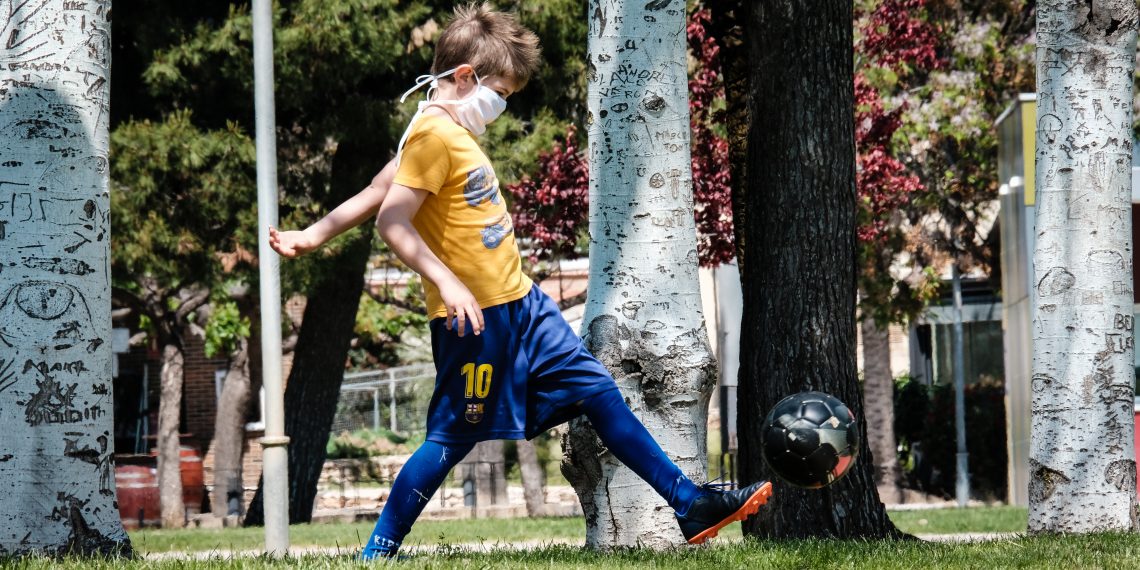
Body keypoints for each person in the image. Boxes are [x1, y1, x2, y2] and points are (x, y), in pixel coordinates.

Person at [269, 3, 772, 560]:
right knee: (453, 436)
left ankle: (689, 502)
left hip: (524, 306)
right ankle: (379, 551)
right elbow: (392, 219)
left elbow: (374, 188)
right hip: (475, 318)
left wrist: (311, 235)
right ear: (465, 77)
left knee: (599, 392)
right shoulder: (432, 136)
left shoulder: (448, 132)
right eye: (500, 92)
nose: (502, 105)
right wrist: (447, 283)